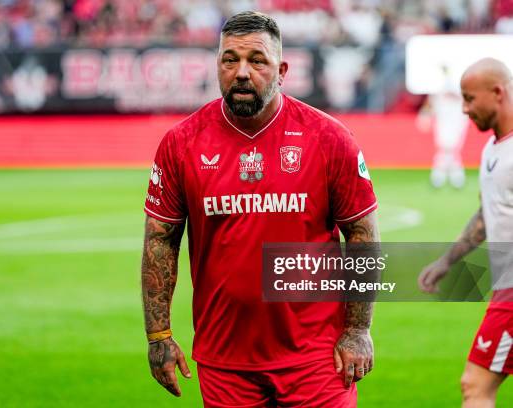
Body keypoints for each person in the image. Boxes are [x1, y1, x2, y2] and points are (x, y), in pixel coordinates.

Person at [141, 11, 380, 407]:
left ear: (282, 69)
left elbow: (362, 234)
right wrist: (159, 336)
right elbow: (160, 239)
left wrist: (357, 329)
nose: (241, 72)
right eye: (230, 59)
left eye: (257, 60)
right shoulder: (181, 143)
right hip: (224, 361)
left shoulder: (328, 138)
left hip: (316, 359)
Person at [419, 57, 513, 408]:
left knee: (475, 386)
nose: (463, 109)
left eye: (470, 99)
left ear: (498, 93)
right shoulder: (493, 149)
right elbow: (486, 216)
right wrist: (447, 261)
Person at [416, 64, 469, 189]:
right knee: (446, 149)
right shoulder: (439, 93)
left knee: (449, 149)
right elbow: (430, 104)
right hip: (443, 124)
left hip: (457, 124)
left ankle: (441, 177)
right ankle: (453, 178)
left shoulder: (460, 91)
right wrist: (424, 116)